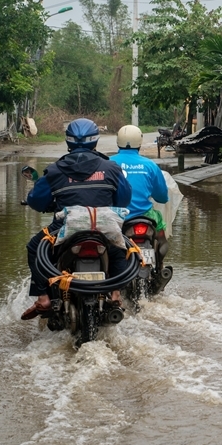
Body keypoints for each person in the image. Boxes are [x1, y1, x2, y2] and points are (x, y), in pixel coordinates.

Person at [21, 118, 132, 321]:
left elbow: (37, 201)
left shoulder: (54, 170)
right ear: (95, 141)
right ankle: (115, 293)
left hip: (65, 227)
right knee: (120, 248)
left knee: (35, 247)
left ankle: (44, 297)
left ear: (68, 142)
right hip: (103, 228)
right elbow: (124, 200)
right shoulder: (112, 168)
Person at [110, 125, 170, 262]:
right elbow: (162, 197)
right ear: (139, 143)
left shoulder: (107, 163)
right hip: (146, 217)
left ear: (118, 142)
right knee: (163, 241)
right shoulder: (150, 166)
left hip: (116, 218)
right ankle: (159, 269)